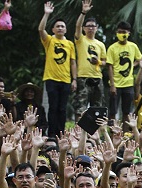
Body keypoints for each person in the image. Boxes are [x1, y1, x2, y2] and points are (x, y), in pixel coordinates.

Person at [39, 1, 77, 137]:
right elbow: (41, 30)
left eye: (62, 26)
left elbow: (73, 62)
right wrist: (46, 14)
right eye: (58, 26)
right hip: (51, 79)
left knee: (62, 109)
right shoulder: (49, 40)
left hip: (66, 80)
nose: (60, 28)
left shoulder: (70, 44)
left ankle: (61, 134)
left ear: (66, 30)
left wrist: (74, 80)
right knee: (53, 107)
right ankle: (51, 134)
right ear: (53, 29)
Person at [73, 0, 106, 120]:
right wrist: (83, 12)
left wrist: (97, 61)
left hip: (97, 77)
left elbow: (104, 62)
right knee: (80, 107)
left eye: (93, 26)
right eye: (88, 26)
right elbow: (77, 26)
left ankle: (94, 136)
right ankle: (77, 135)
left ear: (97, 28)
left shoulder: (101, 44)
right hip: (83, 77)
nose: (91, 28)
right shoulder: (80, 40)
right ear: (84, 28)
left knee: (97, 107)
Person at [106, 21, 141, 126]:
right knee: (113, 112)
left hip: (128, 84)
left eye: (124, 32)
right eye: (120, 32)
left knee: (126, 112)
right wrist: (112, 85)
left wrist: (132, 65)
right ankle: (112, 135)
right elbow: (109, 66)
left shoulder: (133, 46)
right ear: (117, 32)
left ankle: (125, 135)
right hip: (115, 84)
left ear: (129, 33)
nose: (122, 34)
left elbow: (139, 59)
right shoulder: (112, 48)